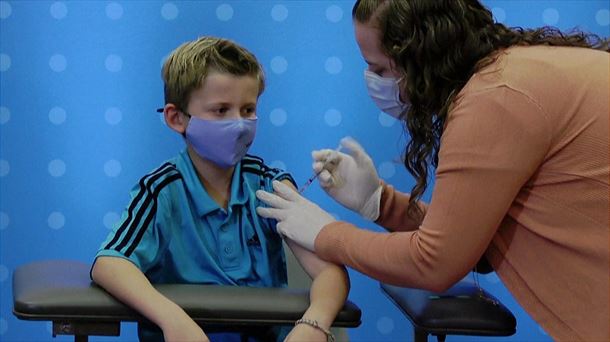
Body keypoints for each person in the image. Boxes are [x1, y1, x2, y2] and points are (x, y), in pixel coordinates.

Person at [255, 1, 609, 341]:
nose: (373, 81)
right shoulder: (525, 71)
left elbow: (434, 263)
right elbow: (471, 241)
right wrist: (379, 203)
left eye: (379, 69)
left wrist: (325, 234)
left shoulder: (497, 98)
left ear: (418, 55)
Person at [91, 36, 349, 342]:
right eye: (221, 110)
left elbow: (331, 273)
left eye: (248, 109)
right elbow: (109, 263)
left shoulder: (271, 186)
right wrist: (172, 318)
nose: (239, 125)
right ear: (176, 118)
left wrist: (313, 325)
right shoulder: (162, 191)